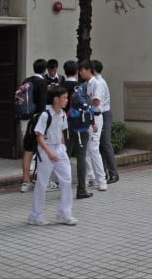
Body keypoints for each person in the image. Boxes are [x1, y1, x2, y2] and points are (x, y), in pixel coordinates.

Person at [27, 86, 76, 226]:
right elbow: (39, 137)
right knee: (42, 183)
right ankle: (35, 215)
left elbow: (61, 133)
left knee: (67, 179)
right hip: (46, 149)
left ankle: (64, 213)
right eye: (64, 98)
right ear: (56, 99)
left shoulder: (62, 114)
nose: (67, 100)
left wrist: (62, 149)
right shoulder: (45, 115)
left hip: (59, 149)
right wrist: (49, 153)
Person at [60, 59, 92, 200]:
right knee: (81, 157)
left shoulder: (60, 87)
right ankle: (81, 189)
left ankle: (64, 188)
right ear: (76, 71)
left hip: (64, 125)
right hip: (80, 126)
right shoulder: (80, 87)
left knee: (64, 156)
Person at [20, 58, 50, 193]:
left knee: (27, 150)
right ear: (45, 70)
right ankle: (44, 181)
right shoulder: (42, 82)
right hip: (37, 119)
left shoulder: (26, 81)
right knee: (42, 150)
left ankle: (26, 182)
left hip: (25, 119)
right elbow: (42, 105)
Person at [77, 59, 107, 191]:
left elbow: (95, 102)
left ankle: (102, 179)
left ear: (88, 70)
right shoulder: (86, 84)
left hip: (96, 118)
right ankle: (91, 176)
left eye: (82, 70)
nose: (80, 73)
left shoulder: (96, 84)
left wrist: (84, 100)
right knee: (87, 149)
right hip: (88, 118)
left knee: (94, 149)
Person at [91, 59, 119, 183]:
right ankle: (103, 173)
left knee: (105, 144)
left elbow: (98, 101)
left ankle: (113, 173)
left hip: (103, 114)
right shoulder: (98, 81)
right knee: (101, 145)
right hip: (103, 113)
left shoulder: (98, 83)